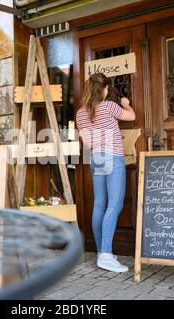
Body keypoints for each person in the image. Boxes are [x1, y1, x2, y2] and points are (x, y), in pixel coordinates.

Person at [76, 73, 136, 273]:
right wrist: (126, 103)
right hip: (112, 156)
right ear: (104, 90)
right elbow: (132, 116)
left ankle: (102, 250)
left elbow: (88, 143)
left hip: (96, 157)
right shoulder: (109, 106)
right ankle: (106, 255)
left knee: (100, 204)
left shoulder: (80, 113)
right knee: (115, 204)